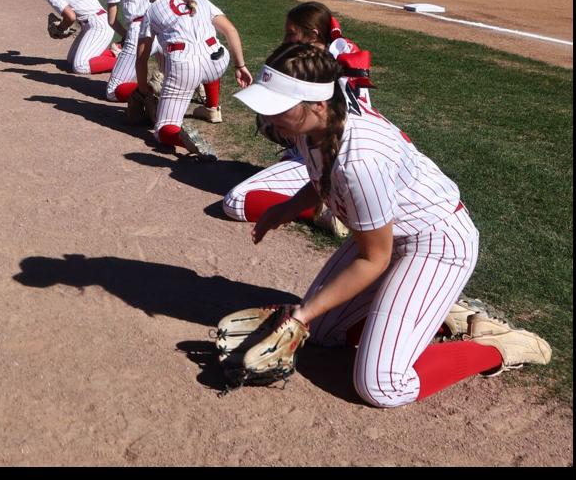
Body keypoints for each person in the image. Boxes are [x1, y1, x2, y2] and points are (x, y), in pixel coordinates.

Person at [234, 43, 553, 408]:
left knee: (383, 385)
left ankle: (498, 345)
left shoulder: (360, 160)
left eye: (277, 107)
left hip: (437, 245)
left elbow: (373, 260)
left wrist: (301, 316)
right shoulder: (315, 127)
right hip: (390, 238)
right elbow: (323, 180)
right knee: (321, 332)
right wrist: (285, 209)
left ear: (317, 104)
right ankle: (438, 312)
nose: (267, 116)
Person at [224, 1, 374, 236]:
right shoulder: (344, 56)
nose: (285, 39)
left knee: (237, 200)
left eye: (291, 33)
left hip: (330, 153)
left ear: (313, 34)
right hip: (338, 151)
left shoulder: (311, 69)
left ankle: (328, 211)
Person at [133, 0, 249, 159]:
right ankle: (212, 106)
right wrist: (241, 66)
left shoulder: (152, 11)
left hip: (184, 66)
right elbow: (230, 30)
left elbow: (142, 58)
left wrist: (143, 91)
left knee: (163, 130)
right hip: (218, 60)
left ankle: (185, 139)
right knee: (206, 52)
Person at [17, 0, 117, 75]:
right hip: (94, 22)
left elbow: (71, 17)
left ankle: (124, 61)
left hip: (99, 25)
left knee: (80, 66)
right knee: (71, 60)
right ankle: (115, 53)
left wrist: (61, 28)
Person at [101, 0, 156, 104]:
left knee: (112, 92)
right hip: (165, 26)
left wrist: (125, 36)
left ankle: (152, 90)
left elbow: (111, 20)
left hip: (139, 31)